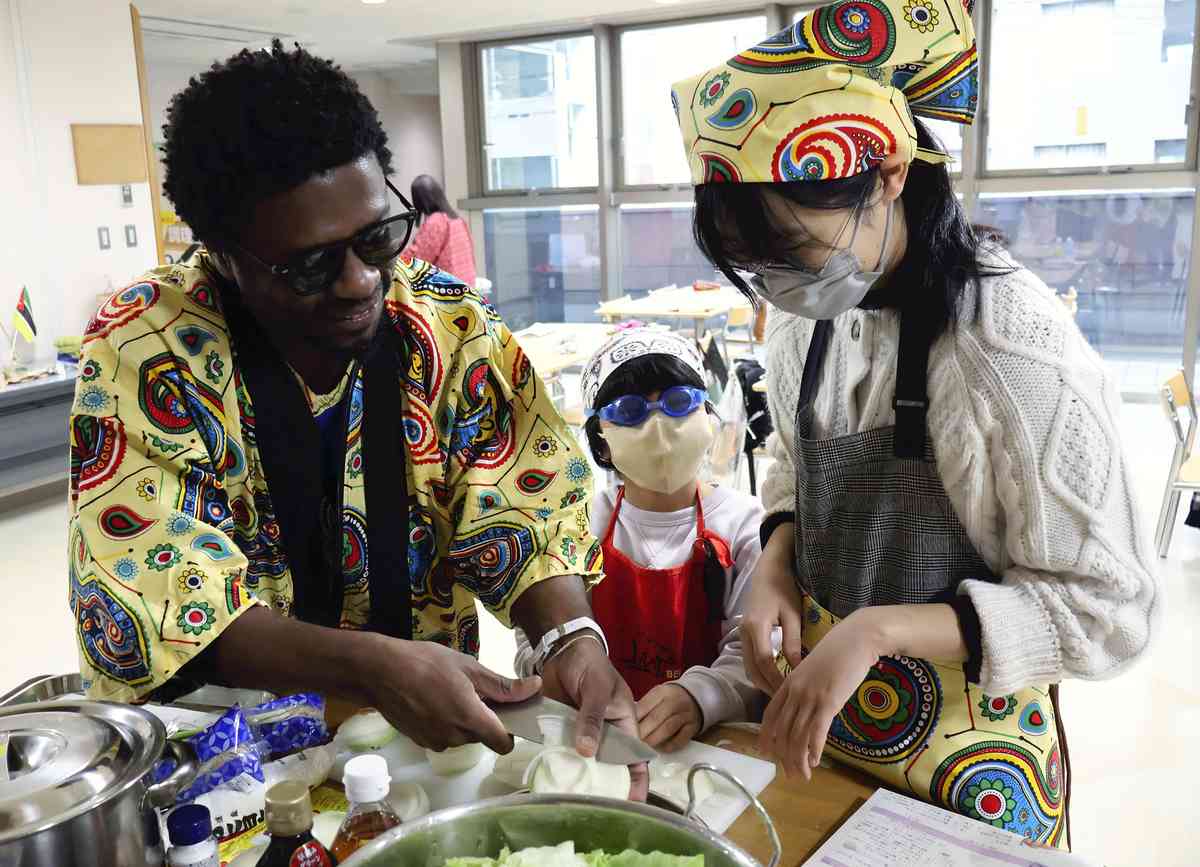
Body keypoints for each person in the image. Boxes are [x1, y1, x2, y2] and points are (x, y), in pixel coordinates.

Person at [67, 42, 641, 793]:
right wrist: (368, 665)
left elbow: (523, 500)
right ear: (222, 254)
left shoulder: (446, 324)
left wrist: (569, 634)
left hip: (426, 752)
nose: (361, 280)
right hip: (233, 770)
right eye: (310, 265)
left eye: (376, 237)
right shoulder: (147, 350)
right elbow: (157, 592)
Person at [672, 0, 1158, 847]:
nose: (777, 285)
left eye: (792, 250)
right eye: (753, 266)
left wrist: (881, 627)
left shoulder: (1008, 346)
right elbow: (791, 456)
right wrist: (780, 557)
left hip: (975, 766)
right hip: (834, 743)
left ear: (889, 170)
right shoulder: (806, 314)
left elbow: (1110, 608)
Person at [515, 329, 765, 750]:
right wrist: (554, 669)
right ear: (601, 442)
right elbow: (534, 632)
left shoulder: (745, 526)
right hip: (598, 736)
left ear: (707, 416)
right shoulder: (577, 525)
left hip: (709, 745)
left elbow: (756, 649)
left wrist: (701, 696)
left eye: (678, 402)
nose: (658, 426)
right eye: (630, 411)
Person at [405, 174, 478, 288]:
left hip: (448, 293)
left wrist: (397, 253)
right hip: (466, 289)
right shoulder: (458, 220)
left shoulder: (436, 222)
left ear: (419, 201)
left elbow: (418, 261)